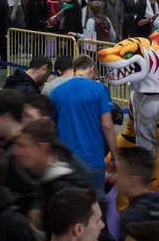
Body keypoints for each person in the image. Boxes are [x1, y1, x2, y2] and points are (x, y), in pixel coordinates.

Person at [50, 55, 119, 202]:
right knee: (95, 209)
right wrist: (114, 156)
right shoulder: (100, 90)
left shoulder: (56, 92)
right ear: (91, 69)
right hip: (92, 160)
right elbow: (107, 126)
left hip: (65, 163)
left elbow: (51, 128)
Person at [13, 119, 97, 239]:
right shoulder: (45, 180)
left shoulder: (61, 189)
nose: (18, 152)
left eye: (23, 146)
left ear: (42, 147)